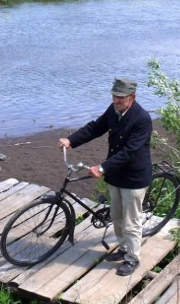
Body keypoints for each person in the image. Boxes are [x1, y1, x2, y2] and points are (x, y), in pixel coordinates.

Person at [58, 77, 152, 276]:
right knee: (116, 215)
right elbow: (95, 127)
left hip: (134, 178)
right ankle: (124, 248)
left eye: (121, 98)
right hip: (116, 174)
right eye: (114, 96)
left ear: (132, 97)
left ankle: (133, 259)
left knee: (131, 220)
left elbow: (129, 151)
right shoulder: (114, 110)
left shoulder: (142, 119)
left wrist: (101, 168)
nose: (116, 101)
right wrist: (71, 140)